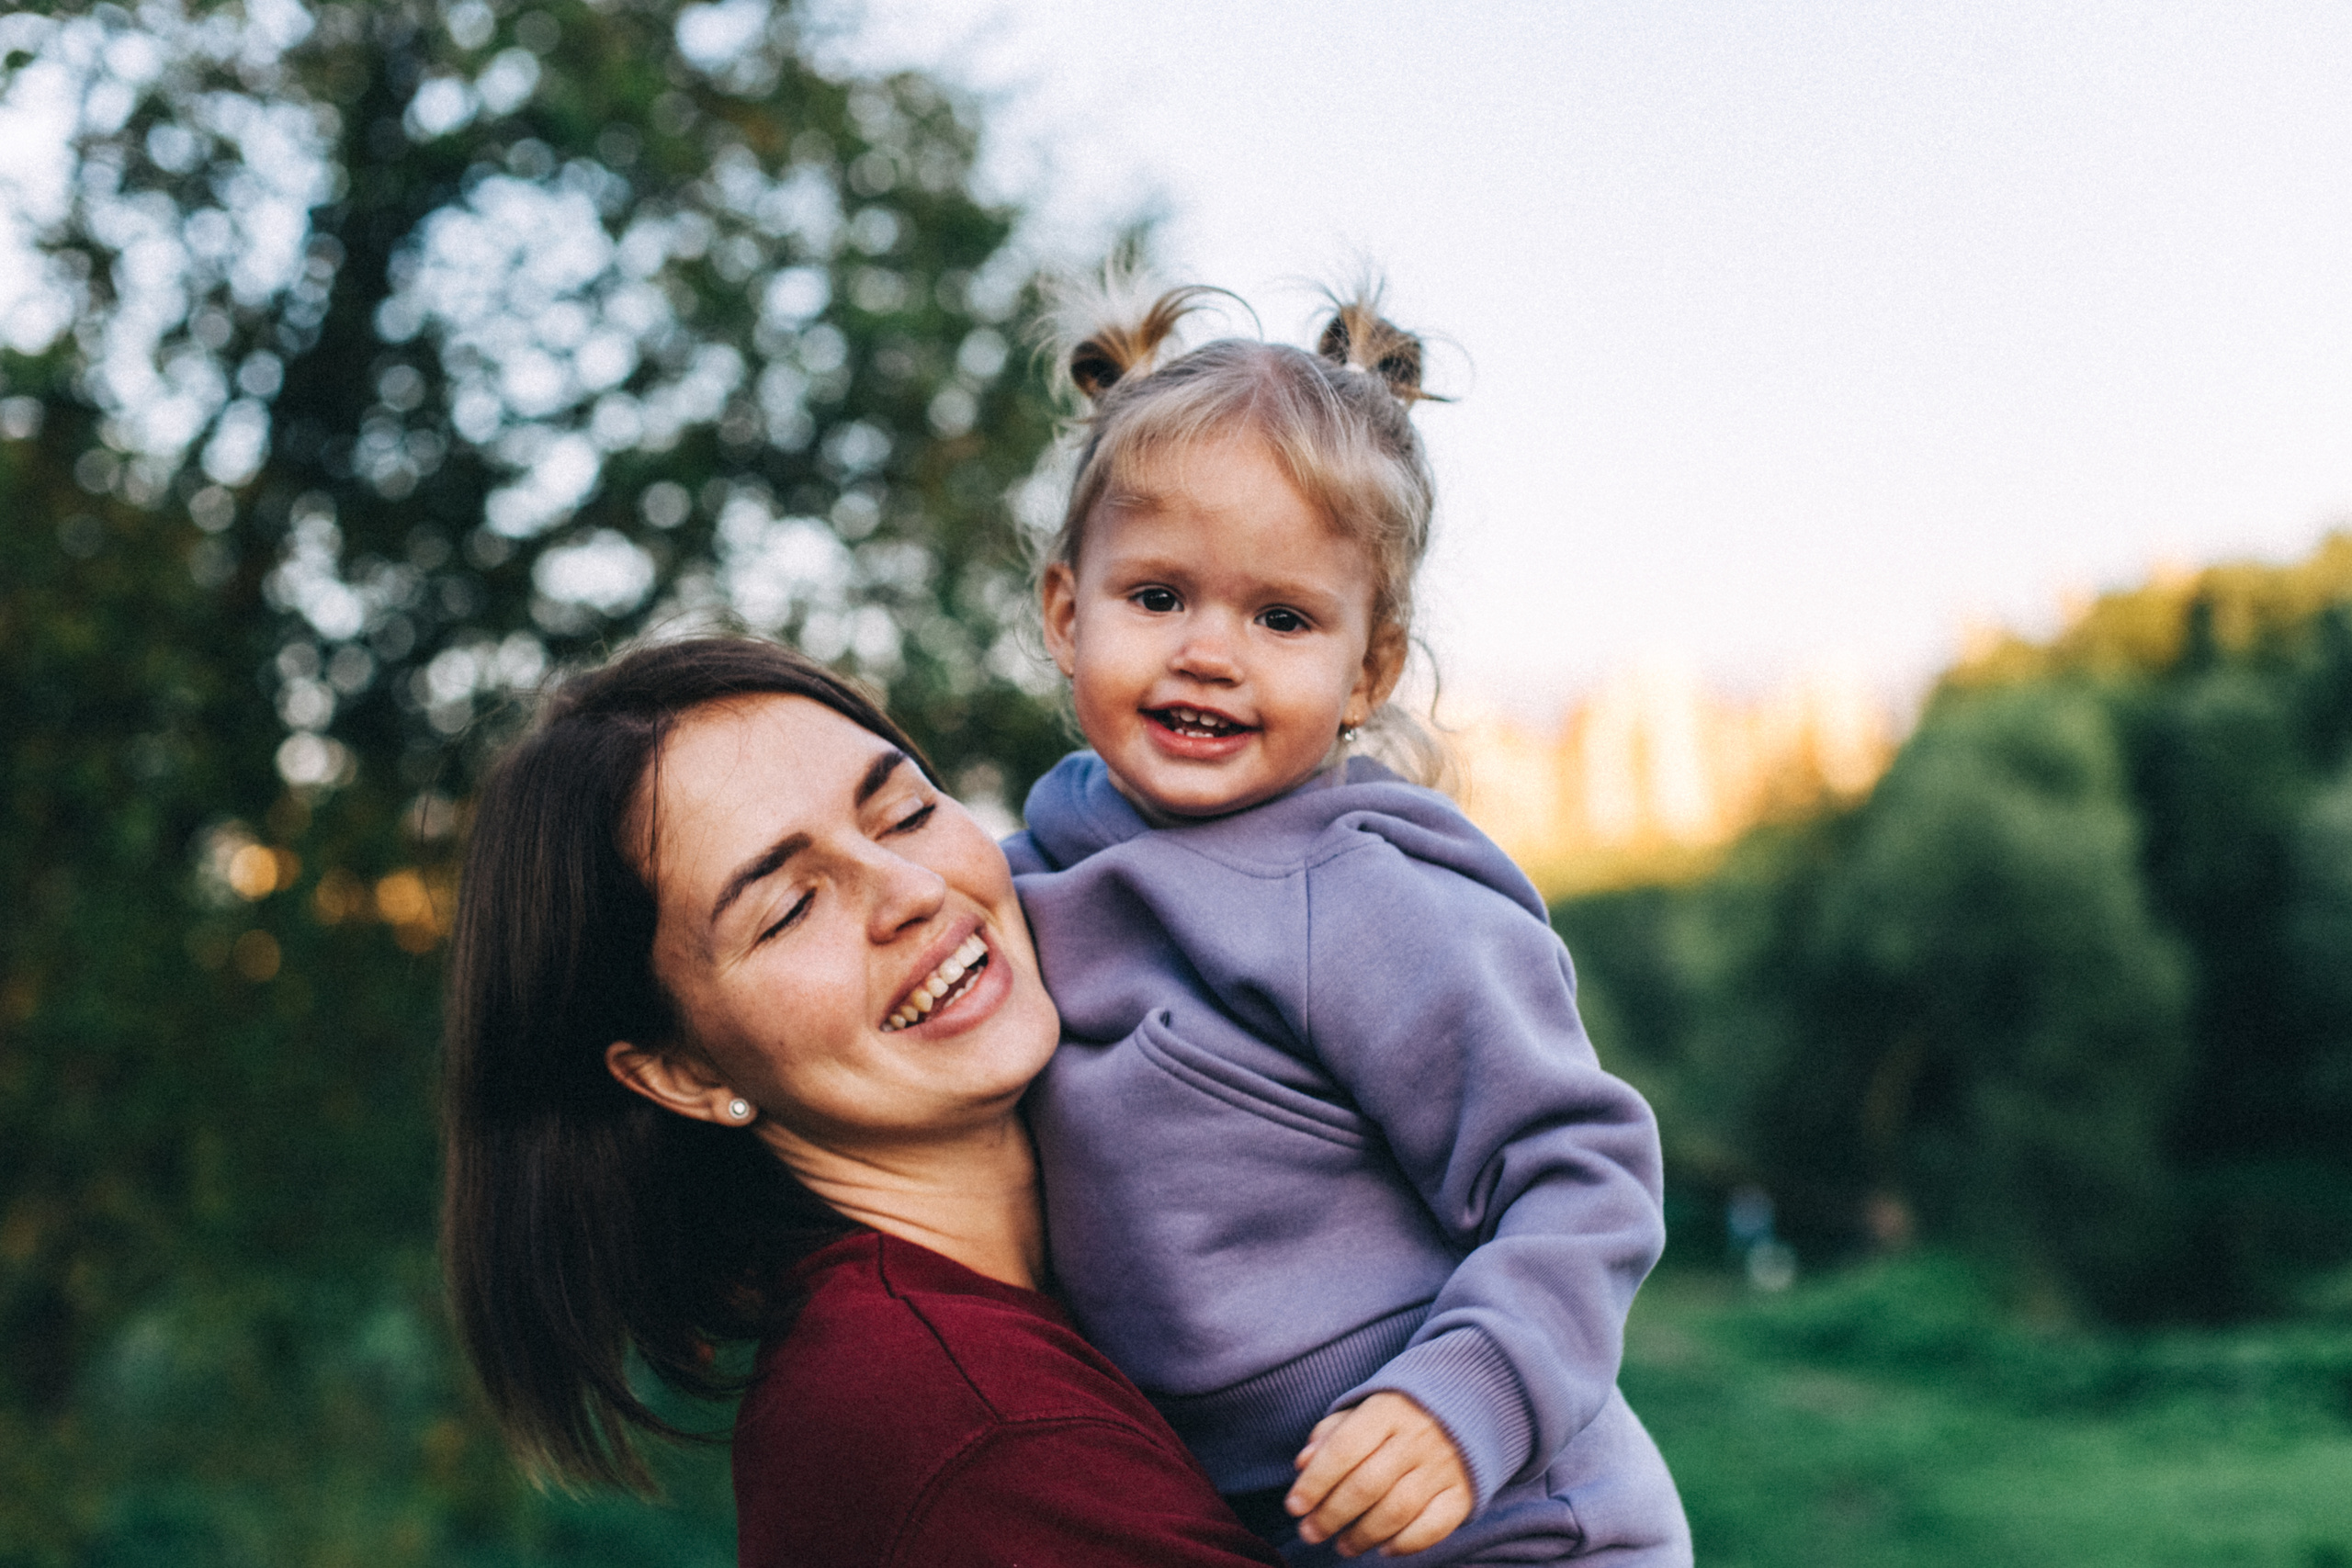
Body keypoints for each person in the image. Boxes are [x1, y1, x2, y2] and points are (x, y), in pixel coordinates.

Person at [1006, 284, 1692, 1564]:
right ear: (1066, 613)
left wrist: (1469, 1395)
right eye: (1158, 596)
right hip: (1293, 1528)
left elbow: (1582, 1172)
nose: (1211, 651)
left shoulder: (1367, 896)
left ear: (1367, 672)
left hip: (1512, 1519)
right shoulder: (1025, 880)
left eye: (1282, 618)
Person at [440, 637, 1282, 1568]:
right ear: (684, 1073)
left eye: (905, 814)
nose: (913, 891)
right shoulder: (966, 1427)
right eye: (790, 909)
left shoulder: (1120, 1282)